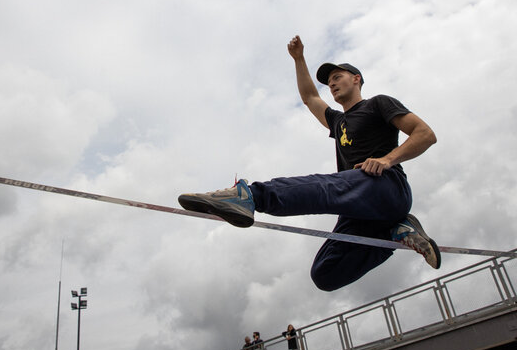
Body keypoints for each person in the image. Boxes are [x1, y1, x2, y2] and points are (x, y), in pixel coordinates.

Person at [179, 35, 441, 291]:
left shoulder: (378, 104)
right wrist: (299, 59)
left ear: (356, 79)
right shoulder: (339, 122)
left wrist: (387, 160)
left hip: (386, 188)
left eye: (337, 78)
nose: (333, 84)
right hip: (361, 208)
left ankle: (250, 196)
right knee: (325, 273)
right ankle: (394, 232)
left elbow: (425, 134)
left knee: (327, 186)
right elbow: (310, 98)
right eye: (329, 83)